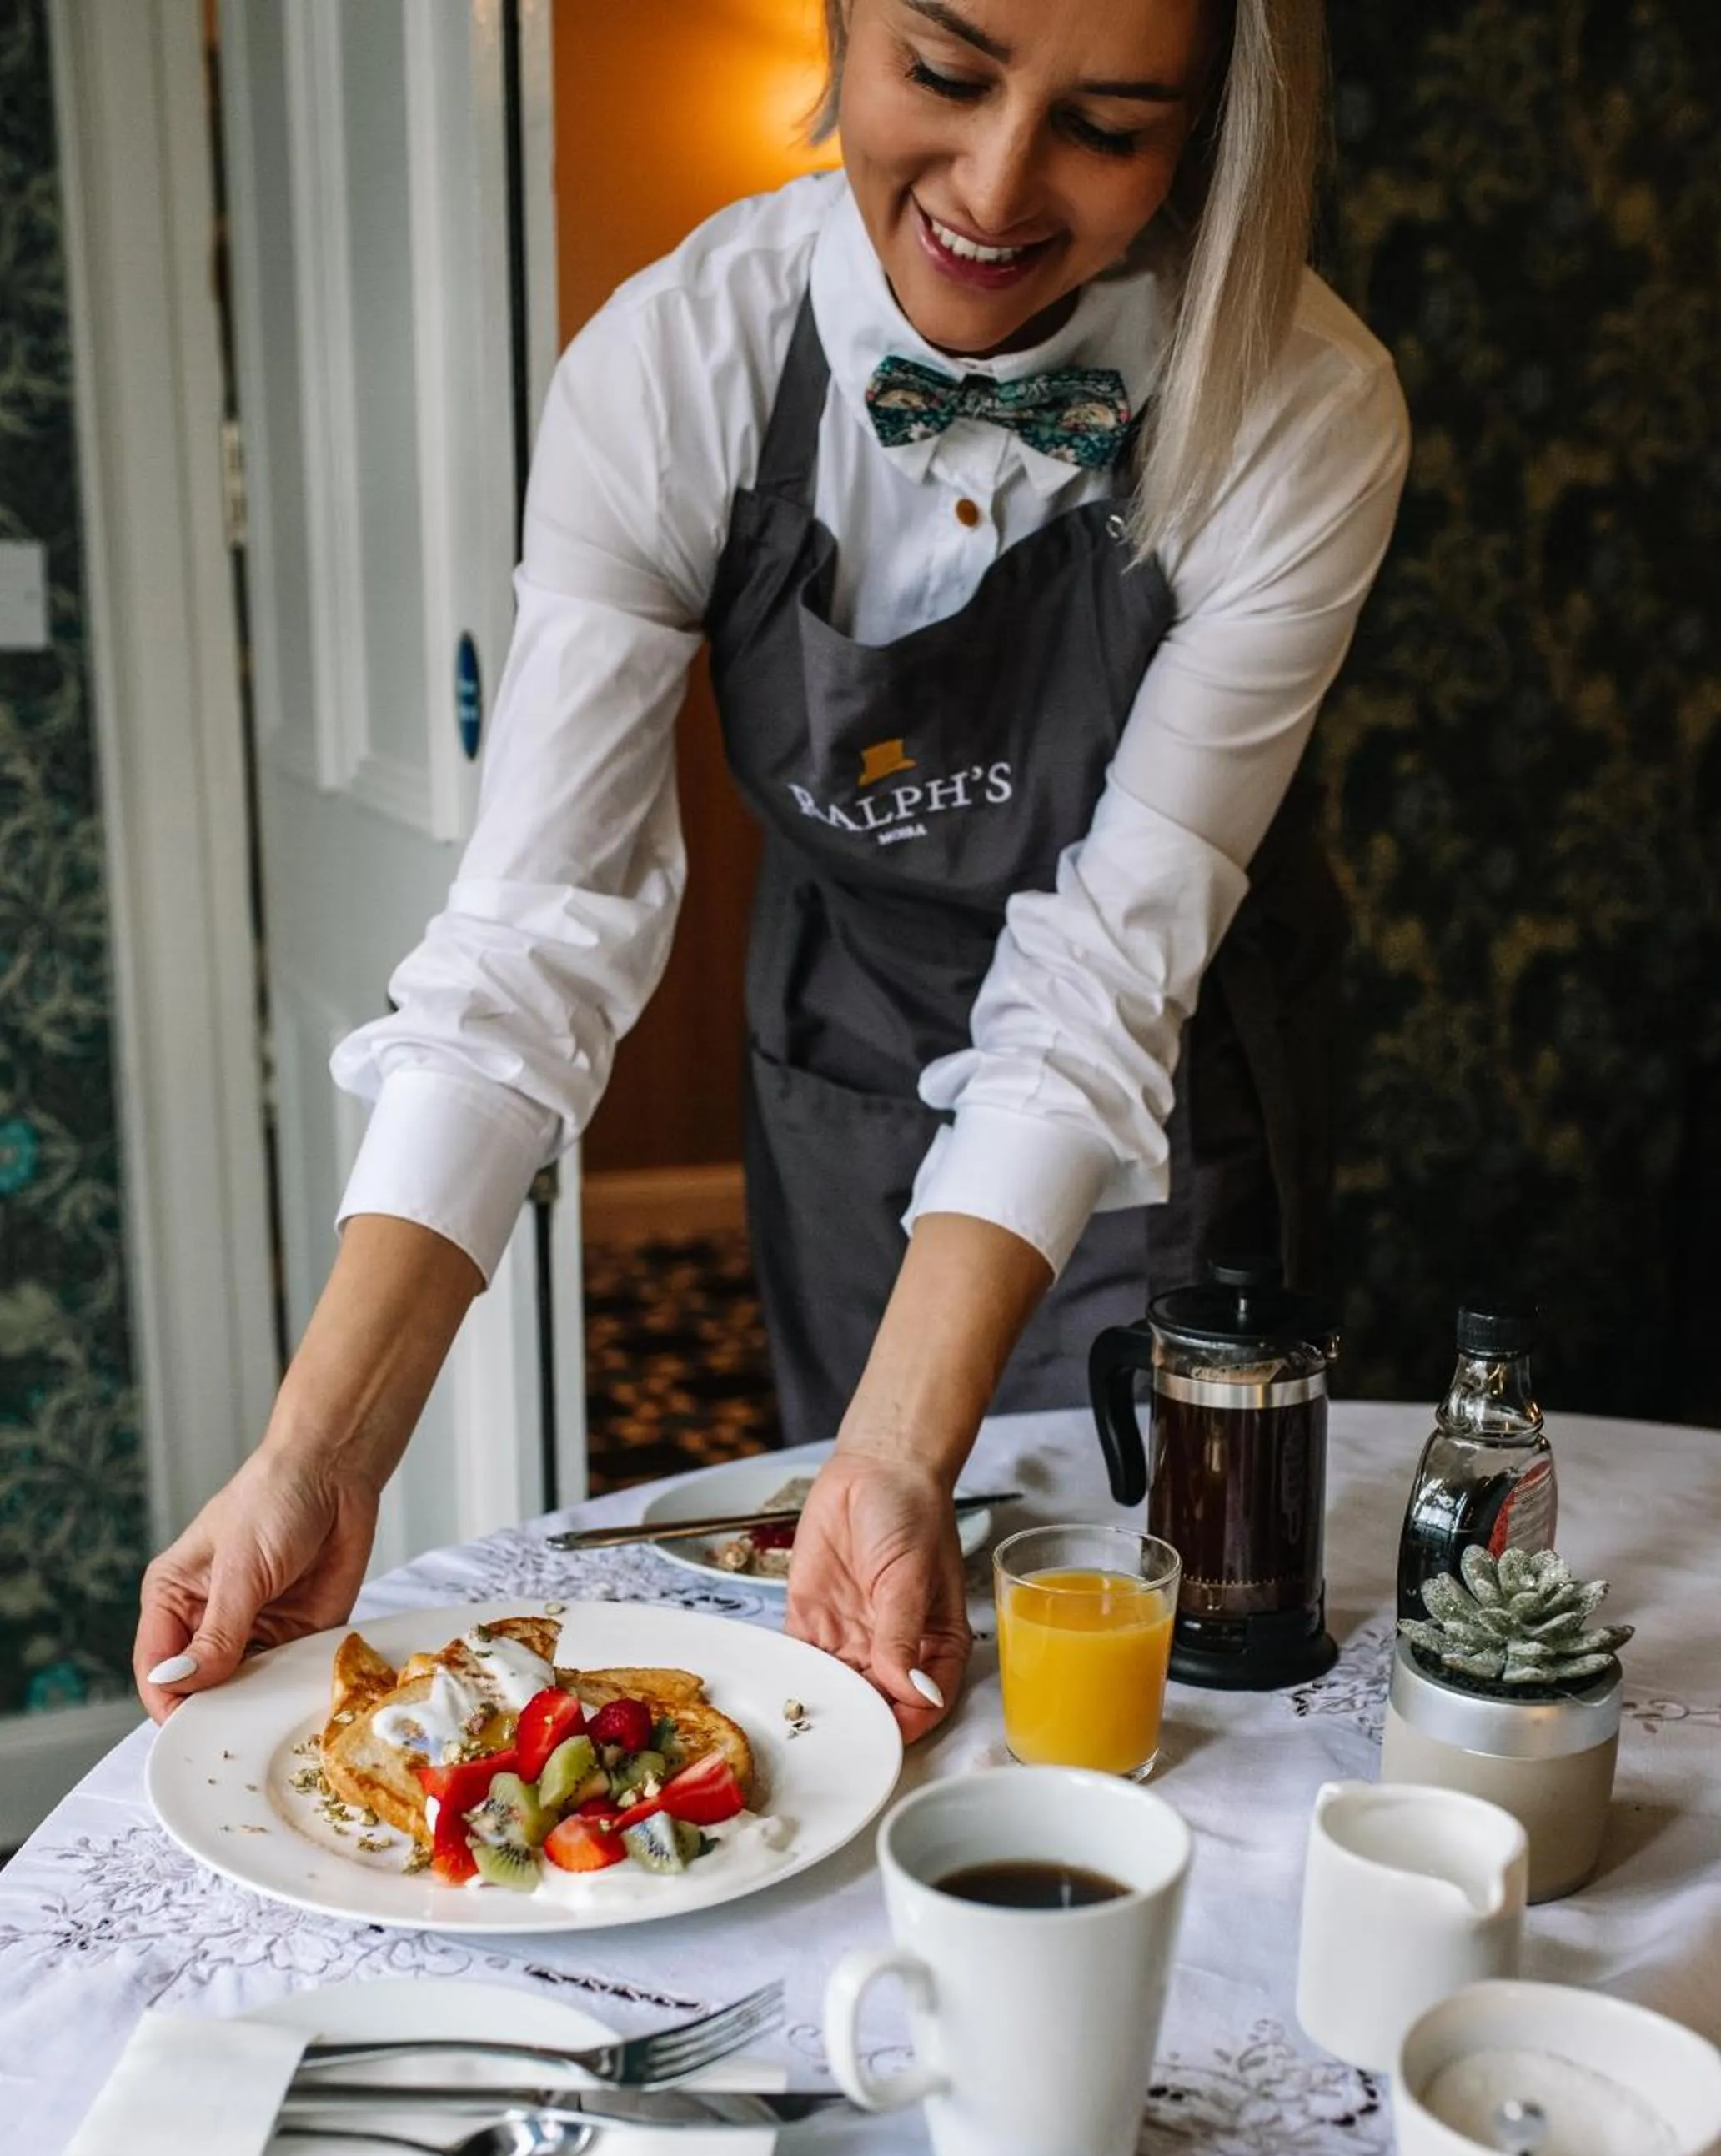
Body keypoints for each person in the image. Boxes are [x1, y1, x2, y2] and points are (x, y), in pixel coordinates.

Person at [133, 0, 1408, 1740]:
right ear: (843, 24)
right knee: (857, 1640)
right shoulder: (672, 365)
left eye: (1107, 127)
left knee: (1163, 1640)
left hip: (1151, 1084)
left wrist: (902, 1447)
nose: (994, 183)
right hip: (840, 1035)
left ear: (1204, 138)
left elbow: (1109, 968)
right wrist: (317, 1455)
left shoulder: (1298, 408)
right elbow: (532, 941)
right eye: (946, 77)